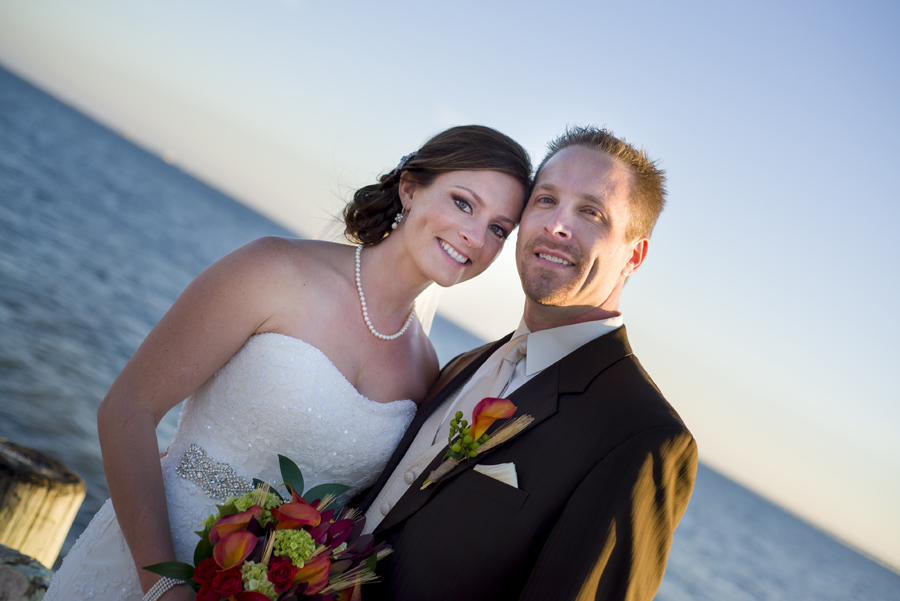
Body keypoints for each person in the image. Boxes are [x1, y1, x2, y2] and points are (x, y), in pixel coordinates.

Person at [44, 125, 532, 601]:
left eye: (497, 229)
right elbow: (126, 410)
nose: (475, 236)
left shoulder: (426, 370)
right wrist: (164, 587)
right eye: (463, 203)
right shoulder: (273, 270)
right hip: (139, 567)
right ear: (409, 189)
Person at [358, 126, 698, 601]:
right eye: (545, 200)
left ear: (633, 256)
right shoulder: (463, 366)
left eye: (591, 212)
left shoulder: (642, 437)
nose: (556, 225)